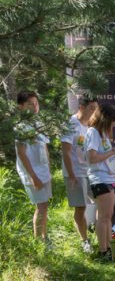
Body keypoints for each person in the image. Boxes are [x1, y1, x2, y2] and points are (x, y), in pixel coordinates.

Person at [86, 103, 115, 260]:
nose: (114, 124)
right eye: (113, 121)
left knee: (107, 217)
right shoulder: (93, 132)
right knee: (103, 217)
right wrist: (114, 150)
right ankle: (103, 251)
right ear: (106, 119)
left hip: (108, 179)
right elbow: (92, 158)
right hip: (99, 179)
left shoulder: (101, 133)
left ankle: (109, 249)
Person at [62, 94, 98, 253]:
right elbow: (66, 150)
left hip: (91, 171)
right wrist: (71, 175)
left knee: (103, 202)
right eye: (91, 108)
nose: (94, 112)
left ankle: (101, 236)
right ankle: (85, 241)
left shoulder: (91, 124)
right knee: (80, 207)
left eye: (96, 109)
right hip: (76, 173)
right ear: (81, 107)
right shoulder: (72, 123)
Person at [14, 90, 52, 243]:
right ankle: (38, 243)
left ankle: (45, 237)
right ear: (21, 107)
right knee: (41, 206)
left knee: (44, 206)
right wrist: (33, 176)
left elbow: (45, 148)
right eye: (30, 104)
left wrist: (48, 170)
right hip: (32, 173)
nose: (35, 107)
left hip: (44, 171)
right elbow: (22, 153)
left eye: (36, 103)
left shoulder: (40, 123)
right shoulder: (21, 127)